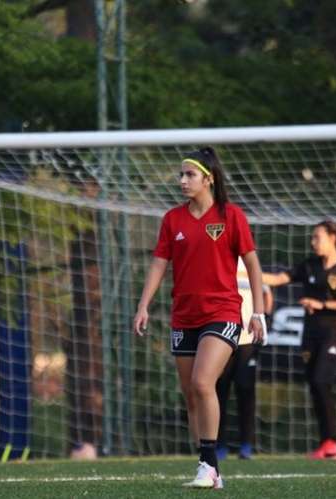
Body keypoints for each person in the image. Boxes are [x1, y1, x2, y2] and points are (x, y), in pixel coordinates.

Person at [133, 147, 266, 489]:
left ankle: (209, 466)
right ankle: (208, 465)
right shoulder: (172, 220)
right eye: (181, 175)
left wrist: (258, 313)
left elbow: (251, 262)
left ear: (209, 178)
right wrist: (143, 305)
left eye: (189, 175)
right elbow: (160, 264)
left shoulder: (232, 215)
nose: (182, 181)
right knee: (191, 396)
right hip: (184, 316)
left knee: (203, 383)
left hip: (222, 313)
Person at [262, 221, 336, 460]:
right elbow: (277, 279)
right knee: (317, 387)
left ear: (333, 238)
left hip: (333, 332)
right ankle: (327, 443)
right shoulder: (309, 265)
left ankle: (331, 442)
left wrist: (323, 304)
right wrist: (240, 269)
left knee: (320, 381)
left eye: (317, 237)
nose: (313, 242)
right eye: (312, 238)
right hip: (309, 335)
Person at [215, 259, 273, 460]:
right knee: (219, 390)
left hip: (247, 339)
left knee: (245, 389)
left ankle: (246, 445)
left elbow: (266, 293)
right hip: (222, 336)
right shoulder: (218, 259)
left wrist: (264, 317)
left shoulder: (249, 262)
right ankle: (218, 444)